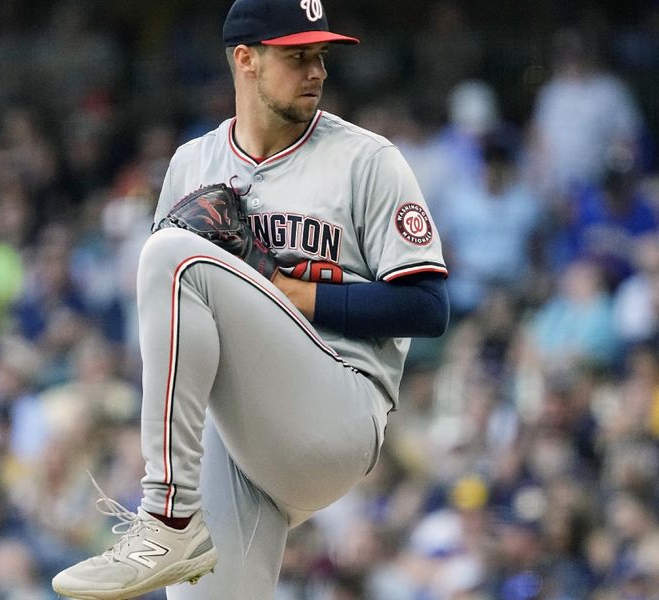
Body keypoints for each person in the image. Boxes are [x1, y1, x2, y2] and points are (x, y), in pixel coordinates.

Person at [52, 0, 450, 598]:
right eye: (297, 56)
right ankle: (176, 528)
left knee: (169, 255)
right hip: (237, 436)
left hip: (335, 410)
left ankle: (166, 519)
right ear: (246, 60)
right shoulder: (193, 163)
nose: (316, 70)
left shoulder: (366, 160)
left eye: (320, 56)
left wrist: (295, 294)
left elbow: (427, 308)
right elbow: (172, 331)